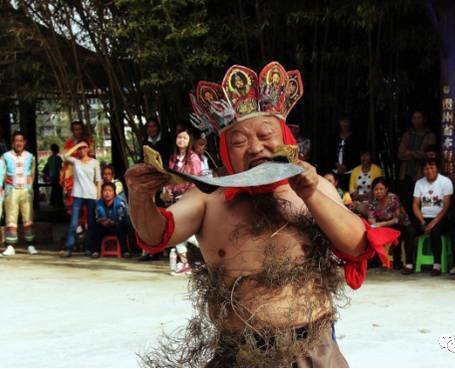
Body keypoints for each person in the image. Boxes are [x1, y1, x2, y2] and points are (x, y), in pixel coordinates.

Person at [126, 62, 399, 367]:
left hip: (311, 350)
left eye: (265, 135)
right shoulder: (206, 199)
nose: (255, 148)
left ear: (284, 137)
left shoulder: (315, 185)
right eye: (239, 142)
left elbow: (358, 245)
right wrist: (139, 196)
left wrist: (309, 193)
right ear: (225, 150)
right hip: (238, 353)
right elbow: (155, 234)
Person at [160, 127, 202, 271]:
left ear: (190, 141)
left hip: (188, 197)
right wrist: (167, 191)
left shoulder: (194, 158)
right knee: (176, 230)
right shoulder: (173, 158)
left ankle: (205, 250)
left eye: (184, 138)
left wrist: (187, 195)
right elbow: (170, 178)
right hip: (174, 198)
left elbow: (197, 180)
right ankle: (185, 262)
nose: (181, 140)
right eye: (179, 137)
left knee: (184, 231)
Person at [358, 177, 415, 271]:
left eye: (381, 189)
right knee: (369, 232)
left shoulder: (393, 199)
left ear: (386, 189)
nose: (378, 192)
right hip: (384, 224)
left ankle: (398, 260)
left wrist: (380, 224)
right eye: (376, 189)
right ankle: (373, 259)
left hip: (400, 224)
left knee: (396, 231)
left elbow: (397, 219)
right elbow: (371, 218)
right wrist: (373, 224)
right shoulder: (374, 201)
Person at [409, 159, 453, 276]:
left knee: (435, 231)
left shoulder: (445, 182)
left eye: (432, 168)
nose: (429, 171)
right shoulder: (419, 183)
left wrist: (433, 222)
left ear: (437, 169)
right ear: (423, 171)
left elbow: (446, 206)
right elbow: (415, 204)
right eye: (426, 169)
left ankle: (437, 265)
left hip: (440, 218)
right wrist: (422, 221)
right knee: (410, 230)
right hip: (423, 217)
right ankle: (409, 264)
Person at [61, 140, 101, 258]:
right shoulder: (76, 162)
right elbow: (64, 156)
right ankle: (69, 248)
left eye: (85, 148)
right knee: (73, 223)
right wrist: (78, 145)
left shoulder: (94, 162)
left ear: (88, 149)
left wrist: (98, 196)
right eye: (80, 149)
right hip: (78, 194)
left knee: (91, 223)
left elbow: (98, 180)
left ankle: (89, 248)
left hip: (91, 194)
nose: (82, 150)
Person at [0, 132, 37, 256]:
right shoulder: (5, 157)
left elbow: (32, 174)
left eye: (21, 140)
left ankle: (30, 244)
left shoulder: (30, 157)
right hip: (11, 191)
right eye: (16, 140)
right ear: (13, 142)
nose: (19, 143)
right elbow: (2, 174)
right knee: (10, 218)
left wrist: (29, 187)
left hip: (26, 191)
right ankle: (10, 246)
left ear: (24, 142)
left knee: (28, 218)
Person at [95, 182, 131, 258]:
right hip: (105, 226)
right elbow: (98, 217)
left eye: (110, 191)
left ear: (114, 193)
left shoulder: (119, 203)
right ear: (102, 193)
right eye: (105, 190)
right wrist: (103, 221)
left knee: (121, 227)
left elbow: (122, 218)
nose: (107, 193)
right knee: (97, 227)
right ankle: (96, 251)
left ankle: (125, 251)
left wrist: (113, 222)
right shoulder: (99, 203)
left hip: (118, 226)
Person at [330, 116, 361, 192]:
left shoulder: (355, 138)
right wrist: (336, 164)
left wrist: (346, 166)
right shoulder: (334, 137)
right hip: (335, 171)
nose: (344, 124)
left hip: (350, 172)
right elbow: (329, 153)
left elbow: (356, 155)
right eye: (342, 121)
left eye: (346, 122)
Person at [43, 144, 63, 208]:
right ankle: (59, 203)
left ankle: (53, 202)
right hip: (57, 176)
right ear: (57, 150)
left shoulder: (49, 158)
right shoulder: (58, 158)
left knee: (54, 189)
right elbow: (60, 168)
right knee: (59, 190)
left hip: (52, 176)